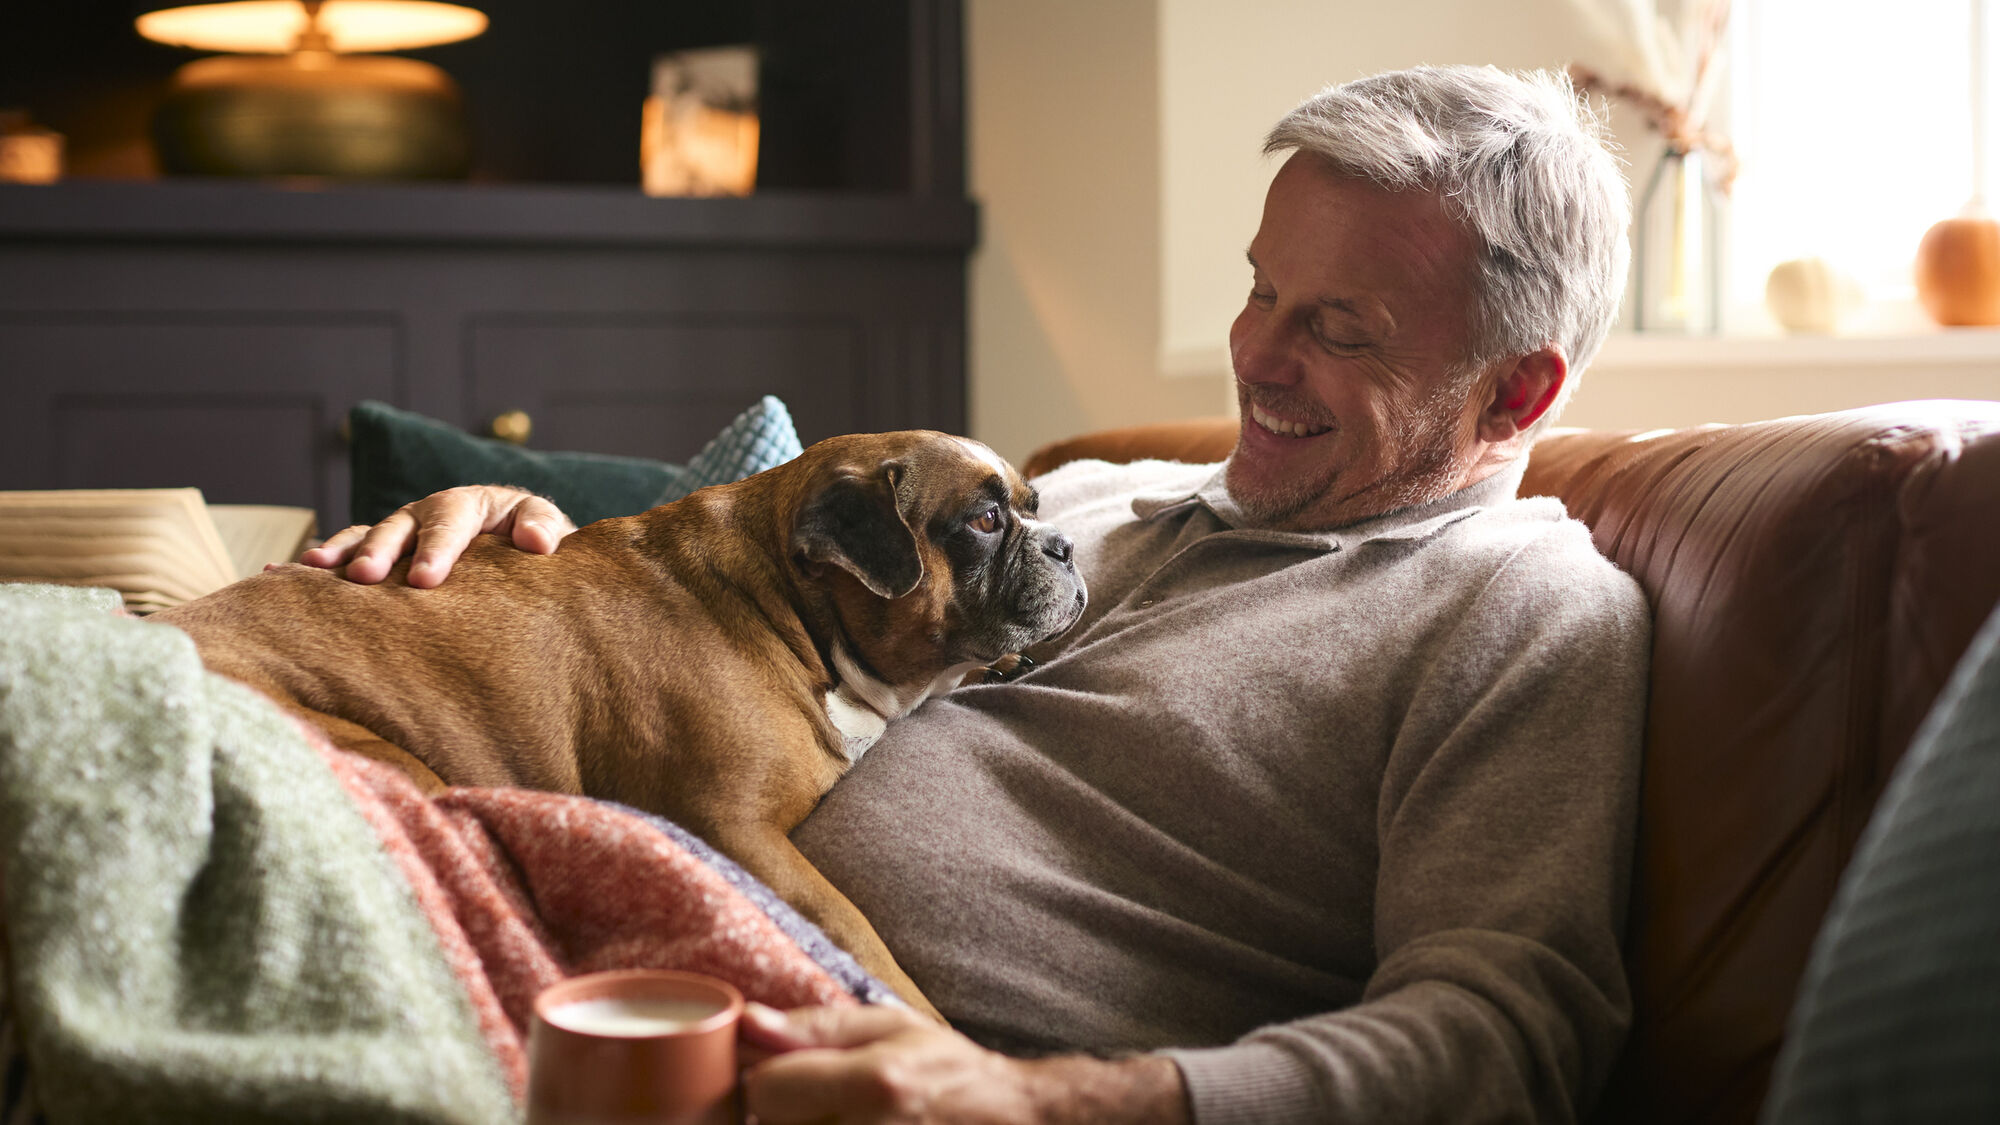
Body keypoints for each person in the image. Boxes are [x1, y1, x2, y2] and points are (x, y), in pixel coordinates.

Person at [304, 65, 1648, 1124]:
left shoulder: (1521, 612)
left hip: (825, 1053)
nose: (1255, 354)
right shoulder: (1091, 494)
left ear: (1518, 391)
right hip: (557, 916)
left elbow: (1506, 1038)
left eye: (1336, 328)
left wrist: (1041, 1100)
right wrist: (514, 529)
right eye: (1259, 288)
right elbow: (746, 570)